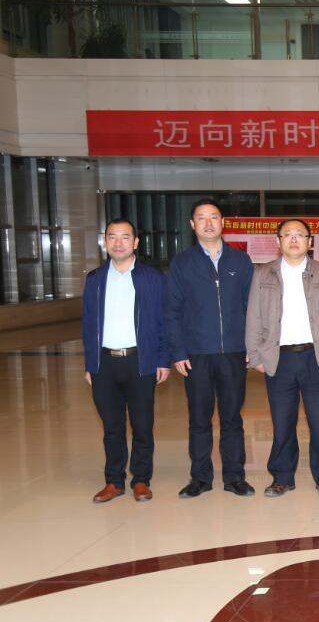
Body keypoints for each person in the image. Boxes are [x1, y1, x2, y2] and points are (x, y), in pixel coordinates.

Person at [245, 219, 319, 497]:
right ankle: (282, 477)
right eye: (287, 235)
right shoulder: (263, 274)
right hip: (278, 358)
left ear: (310, 241)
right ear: (277, 241)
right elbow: (253, 316)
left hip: (316, 356)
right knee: (282, 422)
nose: (293, 240)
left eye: (299, 235)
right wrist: (254, 355)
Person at [166, 198, 255, 499]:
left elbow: (251, 307)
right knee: (199, 419)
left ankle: (235, 477)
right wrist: (178, 351)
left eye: (213, 217)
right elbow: (172, 310)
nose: (208, 223)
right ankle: (200, 478)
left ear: (223, 222)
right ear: (192, 225)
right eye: (201, 218)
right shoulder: (182, 263)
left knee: (232, 418)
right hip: (196, 354)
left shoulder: (240, 261)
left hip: (233, 352)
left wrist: (251, 344)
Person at [82, 218, 170, 503]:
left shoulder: (152, 278)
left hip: (140, 361)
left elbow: (163, 321)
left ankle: (141, 480)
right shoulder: (95, 279)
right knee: (112, 427)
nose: (118, 243)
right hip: (104, 364)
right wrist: (89, 364)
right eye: (112, 237)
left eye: (125, 237)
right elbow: (88, 324)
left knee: (142, 425)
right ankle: (114, 481)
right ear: (105, 241)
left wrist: (163, 360)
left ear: (136, 242)